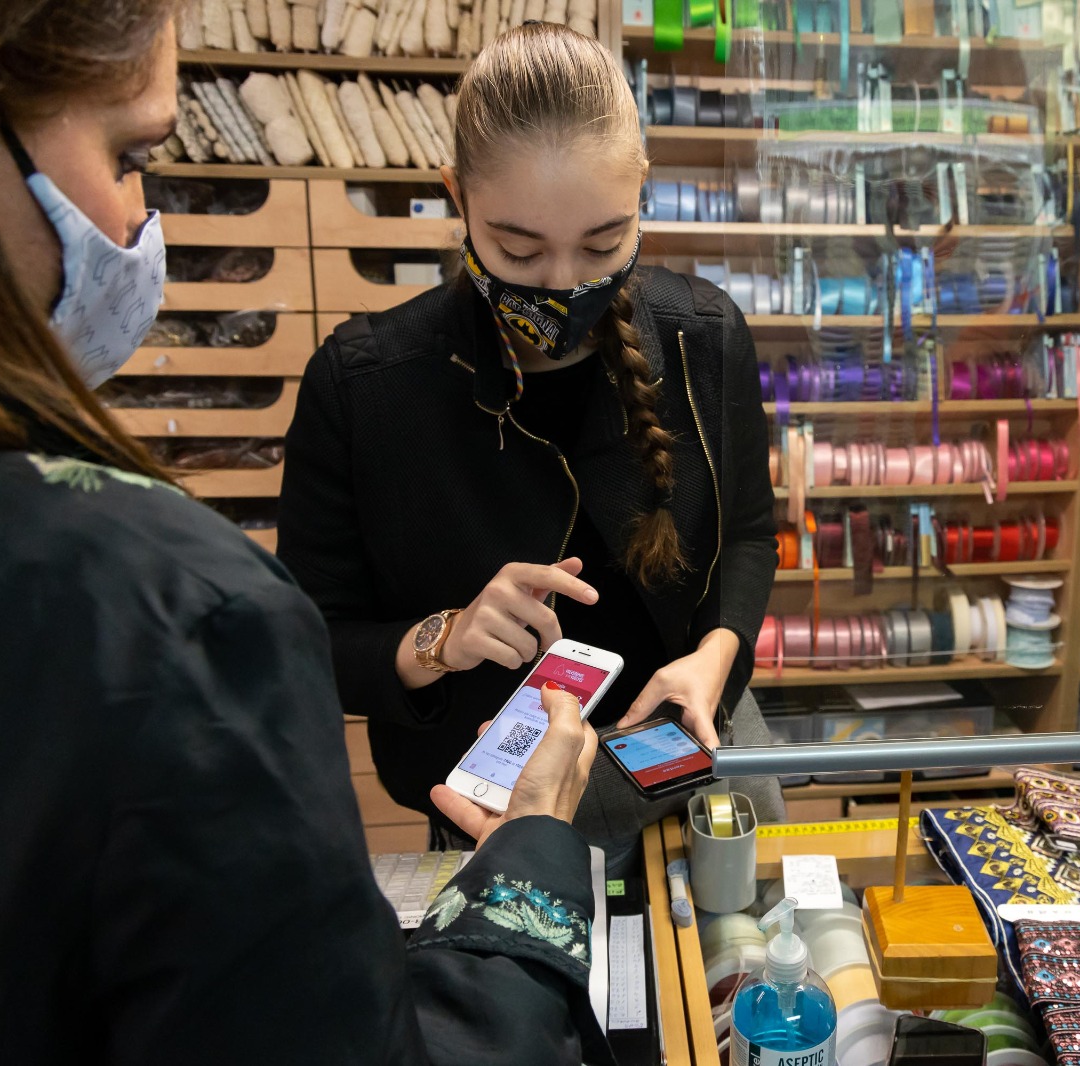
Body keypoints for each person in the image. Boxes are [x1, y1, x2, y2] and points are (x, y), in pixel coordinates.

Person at [0, 3, 610, 1061]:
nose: (140, 217)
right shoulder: (187, 616)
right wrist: (531, 853)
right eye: (131, 154)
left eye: (602, 243)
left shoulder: (699, 335)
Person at [278, 22, 783, 862]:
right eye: (518, 248)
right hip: (493, 807)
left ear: (641, 189)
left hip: (686, 757)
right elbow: (312, 643)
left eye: (603, 243)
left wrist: (716, 654)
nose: (564, 285)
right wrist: (442, 638)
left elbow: (749, 537)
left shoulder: (704, 336)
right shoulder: (364, 385)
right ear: (457, 197)